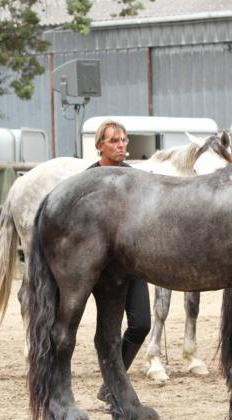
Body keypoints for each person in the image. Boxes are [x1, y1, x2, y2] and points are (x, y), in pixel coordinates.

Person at [87, 120, 151, 404]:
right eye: (115, 140)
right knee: (106, 330)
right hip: (100, 268)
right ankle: (115, 385)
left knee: (142, 324)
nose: (122, 145)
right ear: (100, 145)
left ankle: (110, 383)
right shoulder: (88, 180)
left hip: (131, 263)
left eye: (124, 140)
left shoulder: (136, 178)